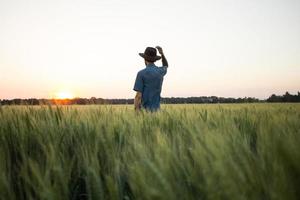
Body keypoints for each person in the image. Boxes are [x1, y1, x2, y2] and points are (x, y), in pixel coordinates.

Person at [133, 46, 169, 111]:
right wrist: (162, 54)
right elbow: (166, 66)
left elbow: (138, 96)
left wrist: (136, 113)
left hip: (145, 112)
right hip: (157, 111)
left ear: (145, 59)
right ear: (155, 59)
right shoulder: (160, 71)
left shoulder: (141, 73)